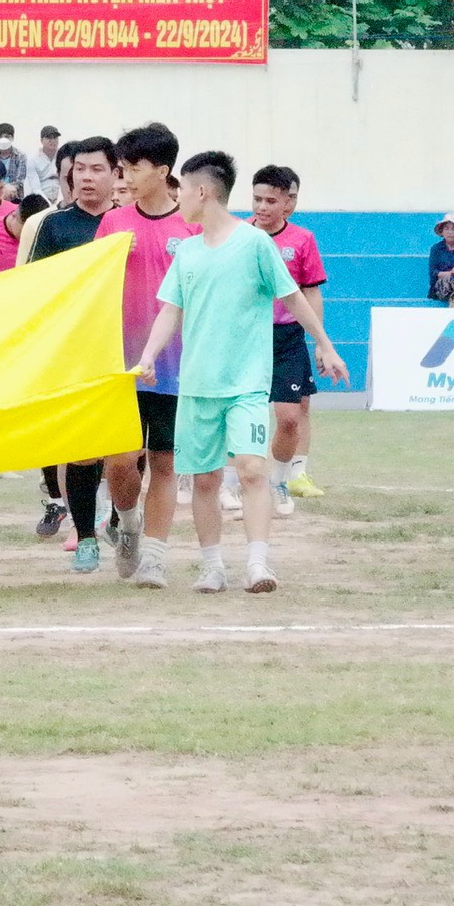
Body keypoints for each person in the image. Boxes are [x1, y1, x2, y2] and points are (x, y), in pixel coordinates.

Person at [134, 150, 348, 595]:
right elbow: (170, 311)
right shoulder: (187, 252)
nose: (178, 196)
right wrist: (149, 356)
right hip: (197, 386)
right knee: (206, 479)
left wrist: (325, 346)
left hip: (246, 384)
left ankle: (258, 565)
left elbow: (293, 298)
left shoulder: (255, 245)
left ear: (202, 192)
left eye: (182, 188)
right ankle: (212, 566)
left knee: (251, 469)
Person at [95, 123, 196, 581]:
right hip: (123, 364)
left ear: (162, 170)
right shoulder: (113, 223)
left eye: (134, 168)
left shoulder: (191, 226)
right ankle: (128, 523)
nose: (126, 177)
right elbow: (93, 287)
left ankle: (154, 556)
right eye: (123, 168)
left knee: (165, 462)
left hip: (176, 366)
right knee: (120, 461)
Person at [20, 136, 118, 553]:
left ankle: (118, 517)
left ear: (115, 174)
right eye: (80, 170)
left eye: (97, 169)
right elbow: (33, 286)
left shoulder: (127, 222)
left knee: (124, 448)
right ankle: (83, 527)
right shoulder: (53, 225)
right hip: (72, 350)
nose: (87, 178)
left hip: (122, 346)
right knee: (77, 444)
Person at [250, 165, 328, 517]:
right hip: (247, 337)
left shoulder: (302, 240)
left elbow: (310, 294)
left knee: (291, 417)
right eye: (257, 199)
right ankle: (232, 484)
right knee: (239, 414)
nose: (262, 207)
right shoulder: (240, 235)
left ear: (287, 203)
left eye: (271, 201)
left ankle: (279, 481)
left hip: (287, 338)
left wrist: (321, 342)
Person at [24, 126, 65, 204]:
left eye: (55, 137)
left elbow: (65, 182)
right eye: (49, 137)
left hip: (62, 197)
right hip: (41, 200)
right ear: (41, 140)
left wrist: (59, 202)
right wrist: (47, 204)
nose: (53, 141)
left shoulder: (64, 157)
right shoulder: (33, 160)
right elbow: (36, 188)